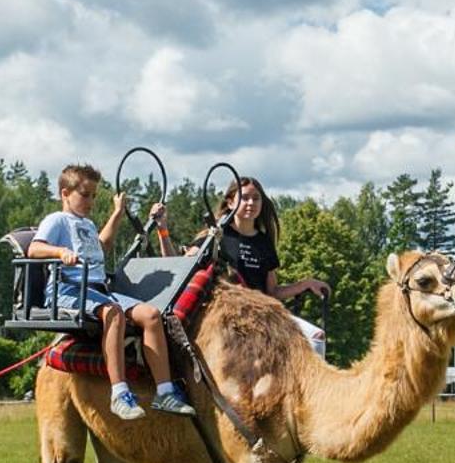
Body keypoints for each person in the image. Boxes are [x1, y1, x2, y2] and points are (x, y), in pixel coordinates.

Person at [29, 164, 195, 421]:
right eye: (85, 194)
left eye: (94, 196)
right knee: (114, 313)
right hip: (69, 287)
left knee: (151, 315)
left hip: (97, 289)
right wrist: (60, 252)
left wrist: (118, 213)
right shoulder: (57, 220)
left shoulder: (86, 224)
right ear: (65, 193)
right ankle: (119, 392)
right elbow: (35, 249)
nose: (90, 201)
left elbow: (101, 246)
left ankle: (165, 391)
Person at [214, 175, 329, 357]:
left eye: (256, 198)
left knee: (316, 337)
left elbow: (272, 291)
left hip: (264, 313)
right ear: (230, 202)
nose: (251, 203)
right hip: (231, 315)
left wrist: (306, 284)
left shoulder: (264, 242)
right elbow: (183, 262)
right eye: (245, 198)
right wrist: (162, 231)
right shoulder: (217, 236)